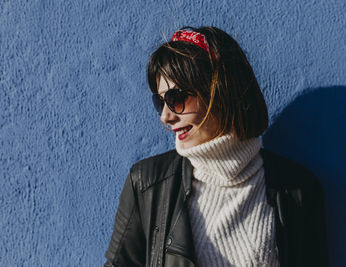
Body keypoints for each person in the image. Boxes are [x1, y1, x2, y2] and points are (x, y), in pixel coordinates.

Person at [104, 26, 328, 267]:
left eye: (176, 99)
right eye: (161, 102)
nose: (166, 117)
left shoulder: (297, 190)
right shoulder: (147, 184)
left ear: (219, 92)